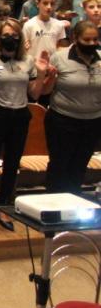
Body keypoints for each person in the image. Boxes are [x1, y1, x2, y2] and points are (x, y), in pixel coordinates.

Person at [0, 20, 50, 231]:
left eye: (15, 36)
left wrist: (42, 73)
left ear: (20, 39)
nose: (10, 39)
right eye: (6, 35)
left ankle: (3, 207)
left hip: (19, 116)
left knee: (12, 165)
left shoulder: (28, 61)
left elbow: (34, 94)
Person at [40, 21, 101, 194]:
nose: (91, 44)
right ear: (75, 38)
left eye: (95, 40)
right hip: (63, 121)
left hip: (93, 122)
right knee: (59, 166)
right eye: (86, 39)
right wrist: (50, 78)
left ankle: (73, 203)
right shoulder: (59, 58)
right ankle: (54, 206)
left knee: (79, 166)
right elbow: (44, 92)